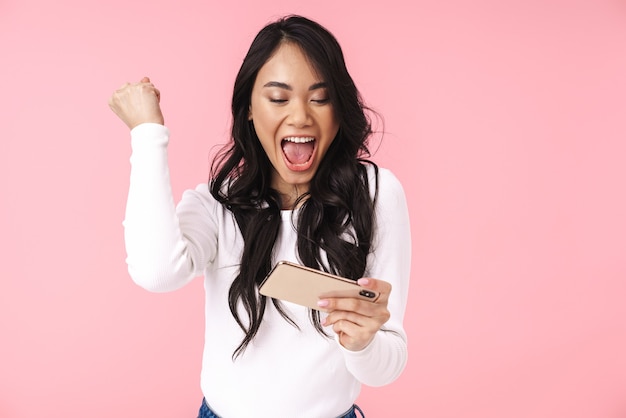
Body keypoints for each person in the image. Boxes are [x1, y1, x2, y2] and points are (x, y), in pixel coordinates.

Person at [109, 14, 411, 418]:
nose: (301, 116)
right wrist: (148, 133)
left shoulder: (375, 194)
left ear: (339, 110)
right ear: (249, 109)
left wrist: (362, 342)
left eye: (320, 98)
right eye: (278, 98)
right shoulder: (219, 203)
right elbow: (156, 271)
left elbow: (386, 367)